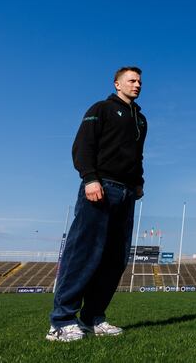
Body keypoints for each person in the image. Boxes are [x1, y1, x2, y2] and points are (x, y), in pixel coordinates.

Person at [46, 66, 147, 342]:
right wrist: (90, 179)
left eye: (140, 81)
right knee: (84, 253)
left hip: (127, 194)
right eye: (131, 80)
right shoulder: (101, 108)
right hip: (101, 188)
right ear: (117, 84)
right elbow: (83, 146)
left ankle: (93, 318)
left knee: (115, 259)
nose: (137, 85)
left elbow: (137, 156)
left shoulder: (141, 120)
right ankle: (62, 320)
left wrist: (139, 182)